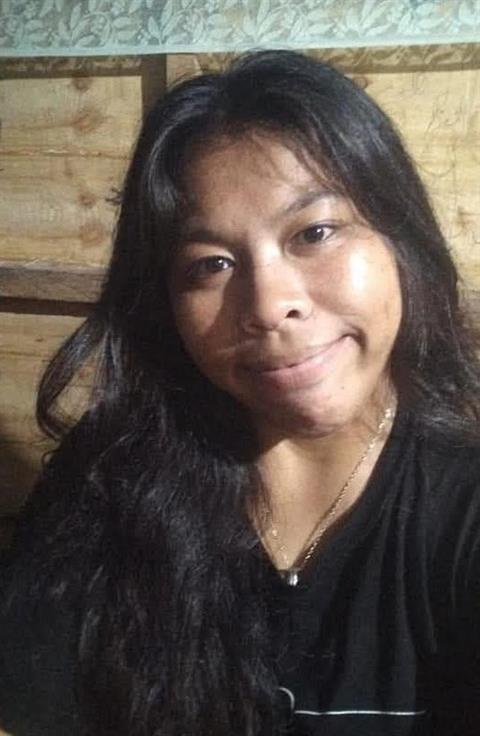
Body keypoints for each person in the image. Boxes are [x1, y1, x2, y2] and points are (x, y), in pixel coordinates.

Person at [1, 49, 480, 736]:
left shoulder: (461, 511)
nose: (268, 304)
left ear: (399, 241)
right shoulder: (106, 481)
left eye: (315, 232)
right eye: (212, 265)